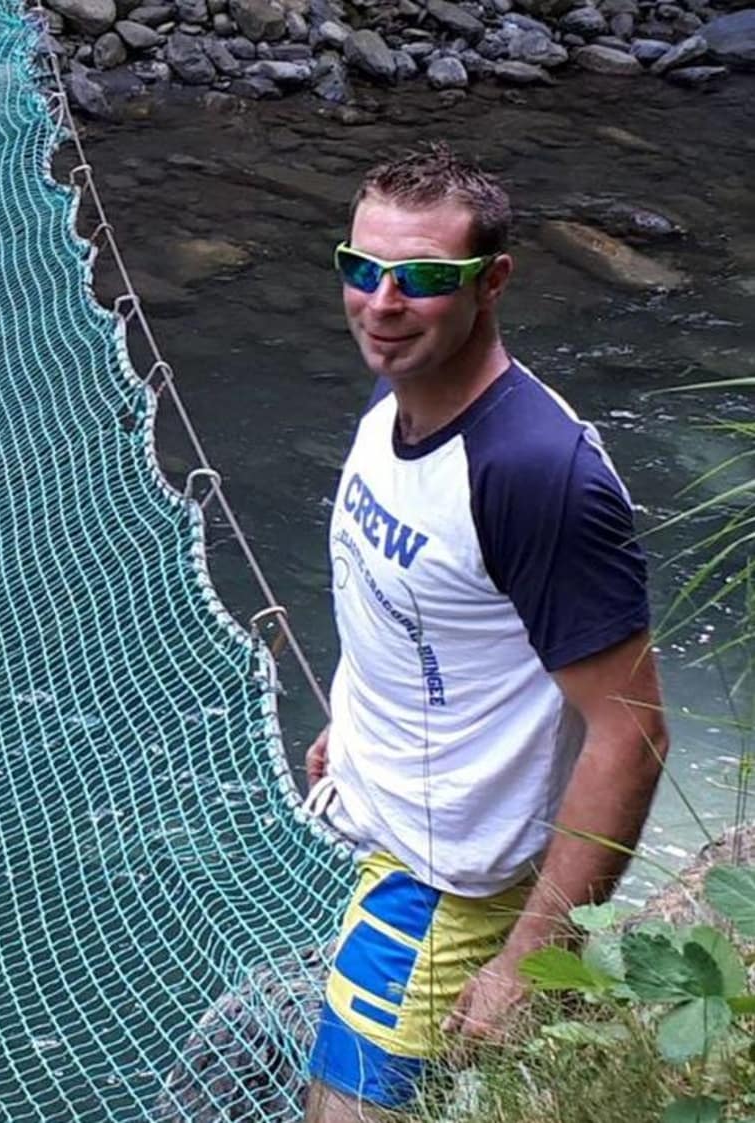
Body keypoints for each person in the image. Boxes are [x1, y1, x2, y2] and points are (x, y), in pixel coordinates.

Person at [301, 143, 669, 1121]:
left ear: (493, 282)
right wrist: (359, 721)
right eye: (362, 267)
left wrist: (523, 962)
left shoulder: (538, 476)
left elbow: (633, 734)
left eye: (423, 277)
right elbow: (404, 597)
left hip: (448, 884)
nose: (381, 301)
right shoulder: (399, 400)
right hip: (399, 822)